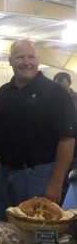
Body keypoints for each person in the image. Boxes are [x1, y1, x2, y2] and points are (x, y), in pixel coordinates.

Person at [0, 39, 75, 221]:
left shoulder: (55, 92)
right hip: (3, 173)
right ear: (10, 61)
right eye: (20, 57)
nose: (26, 62)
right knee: (2, 229)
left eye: (31, 57)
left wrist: (56, 182)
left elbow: (68, 139)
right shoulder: (3, 93)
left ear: (38, 60)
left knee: (34, 232)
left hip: (38, 176)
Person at [53, 71, 77, 203]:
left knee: (70, 183)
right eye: (58, 88)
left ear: (70, 85)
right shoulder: (53, 101)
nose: (61, 91)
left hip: (74, 150)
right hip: (57, 149)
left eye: (64, 88)